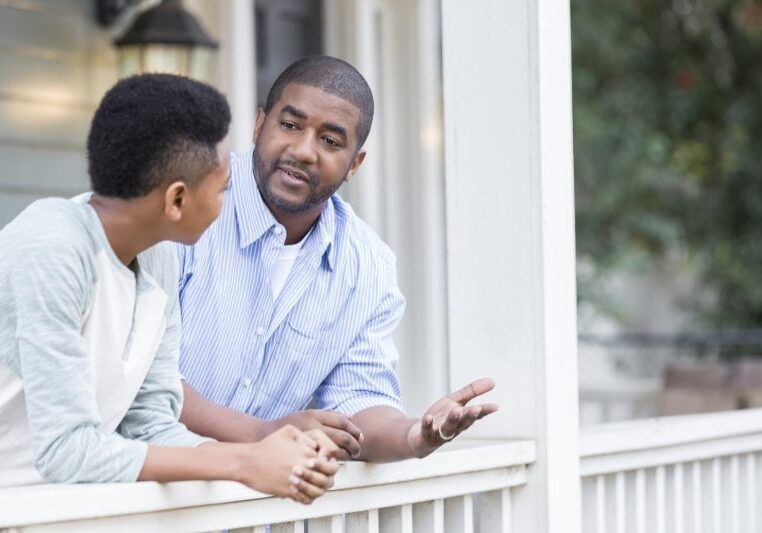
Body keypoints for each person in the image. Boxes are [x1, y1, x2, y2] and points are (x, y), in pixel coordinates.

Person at [0, 73, 338, 503]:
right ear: (176, 200)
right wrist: (243, 463)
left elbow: (151, 423)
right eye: (223, 190)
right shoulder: (50, 248)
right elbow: (66, 452)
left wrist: (271, 457)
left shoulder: (157, 256)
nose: (227, 202)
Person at [177, 56, 498, 462]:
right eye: (290, 125)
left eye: (330, 141)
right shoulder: (185, 204)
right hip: (134, 495)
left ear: (354, 165)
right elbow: (143, 374)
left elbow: (359, 400)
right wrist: (260, 434)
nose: (303, 150)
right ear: (260, 124)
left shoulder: (367, 267)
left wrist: (415, 436)